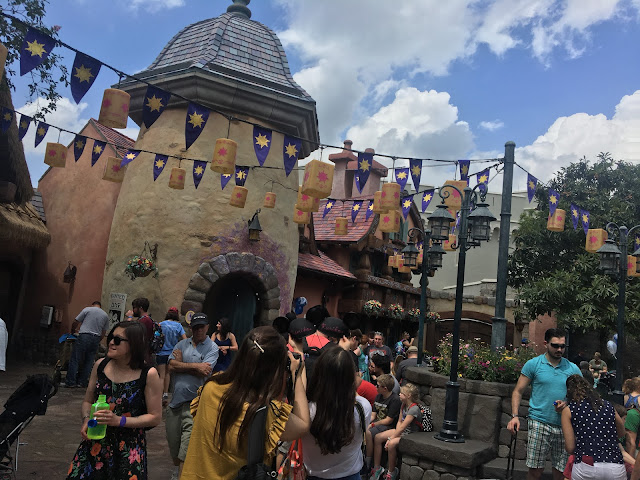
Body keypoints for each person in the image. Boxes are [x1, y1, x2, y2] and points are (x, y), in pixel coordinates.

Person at [180, 326, 311, 480]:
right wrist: (297, 373)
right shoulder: (265, 412)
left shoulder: (211, 387)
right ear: (275, 369)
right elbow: (303, 424)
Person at [66, 321, 162, 479]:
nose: (110, 342)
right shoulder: (100, 366)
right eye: (111, 337)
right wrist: (86, 419)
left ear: (133, 345)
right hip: (95, 443)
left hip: (127, 449)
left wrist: (119, 421)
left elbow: (155, 417)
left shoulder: (148, 374)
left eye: (117, 340)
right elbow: (88, 401)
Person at [507, 328, 581, 480]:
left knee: (562, 472)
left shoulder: (572, 368)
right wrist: (514, 416)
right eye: (555, 345)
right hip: (539, 422)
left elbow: (581, 396)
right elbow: (518, 391)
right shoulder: (533, 364)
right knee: (535, 470)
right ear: (546, 344)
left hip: (564, 425)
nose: (559, 349)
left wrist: (567, 404)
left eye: (562, 346)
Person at [302, 346, 371, 480]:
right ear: (351, 376)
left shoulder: (307, 410)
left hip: (312, 475)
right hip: (351, 475)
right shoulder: (362, 407)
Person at [166, 313, 219, 479]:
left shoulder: (212, 348)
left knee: (186, 451)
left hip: (195, 406)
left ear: (207, 327)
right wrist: (196, 366)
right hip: (175, 404)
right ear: (191, 328)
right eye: (196, 327)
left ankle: (181, 476)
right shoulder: (182, 344)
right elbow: (171, 366)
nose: (199, 330)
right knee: (174, 448)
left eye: (202, 327)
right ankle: (178, 470)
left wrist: (181, 365)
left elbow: (205, 371)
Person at [560, 374, 626, 480]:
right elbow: (622, 432)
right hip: (615, 464)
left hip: (587, 462)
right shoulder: (608, 405)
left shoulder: (569, 410)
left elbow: (570, 447)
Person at [371, 383, 431, 480]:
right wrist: (395, 434)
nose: (399, 394)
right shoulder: (403, 405)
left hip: (410, 434)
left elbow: (403, 427)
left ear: (408, 396)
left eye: (402, 393)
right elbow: (399, 422)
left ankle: (391, 472)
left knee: (391, 444)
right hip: (401, 431)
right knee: (378, 437)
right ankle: (377, 467)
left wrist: (391, 438)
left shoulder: (414, 409)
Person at [65, 301, 110, 388]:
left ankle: (71, 382)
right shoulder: (105, 315)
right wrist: (98, 339)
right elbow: (104, 332)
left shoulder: (87, 310)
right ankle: (82, 382)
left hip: (84, 336)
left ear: (93, 305)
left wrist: (72, 331)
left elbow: (76, 321)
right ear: (100, 306)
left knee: (75, 358)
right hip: (96, 338)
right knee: (89, 361)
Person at [366, 374, 402, 473]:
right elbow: (373, 415)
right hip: (378, 423)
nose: (375, 387)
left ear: (385, 388)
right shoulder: (378, 396)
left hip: (387, 426)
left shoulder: (394, 400)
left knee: (369, 433)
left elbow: (388, 420)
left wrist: (373, 425)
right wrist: (366, 422)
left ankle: (368, 462)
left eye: (377, 385)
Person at [157, 307, 187, 406]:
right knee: (168, 374)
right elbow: (185, 339)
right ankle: (165, 394)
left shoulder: (161, 324)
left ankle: (158, 396)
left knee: (161, 375)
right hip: (172, 354)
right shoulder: (178, 326)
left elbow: (156, 336)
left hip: (161, 352)